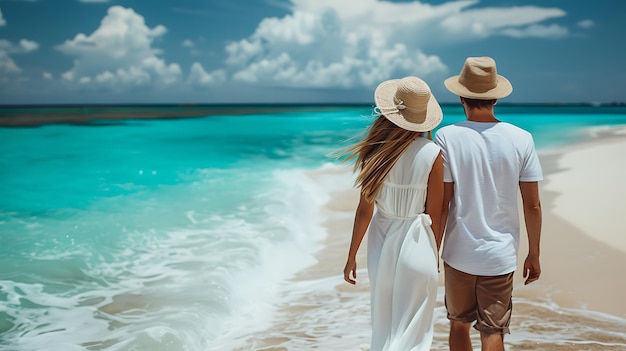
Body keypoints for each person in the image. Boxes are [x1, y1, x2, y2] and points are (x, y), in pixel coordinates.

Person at [434, 56, 543, 351]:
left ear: (460, 96)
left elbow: (442, 205)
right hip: (500, 255)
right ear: (495, 96)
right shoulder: (522, 139)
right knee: (493, 332)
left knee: (459, 325)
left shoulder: (446, 136)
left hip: (459, 252)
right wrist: (533, 253)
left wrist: (432, 249)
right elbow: (532, 205)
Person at [341, 76, 444, 351]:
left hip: (380, 245)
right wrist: (433, 254)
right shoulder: (432, 153)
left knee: (384, 328)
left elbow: (364, 210)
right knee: (413, 337)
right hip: (418, 243)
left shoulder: (374, 153)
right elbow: (436, 212)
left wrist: (351, 256)